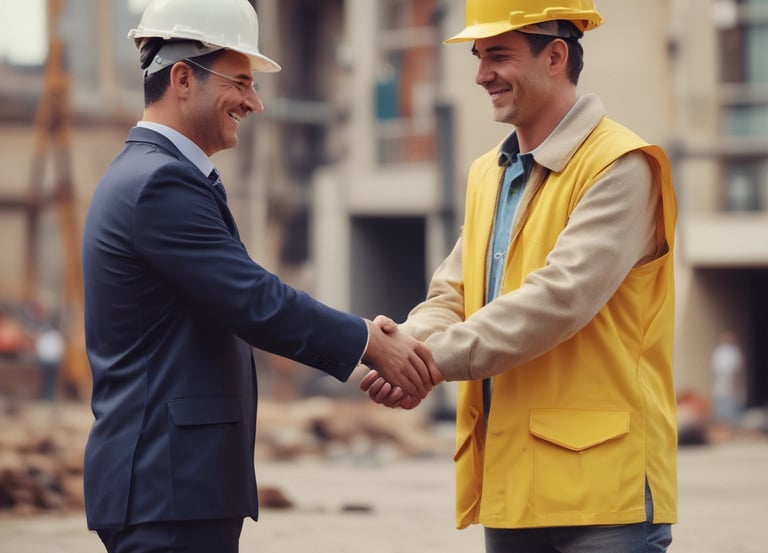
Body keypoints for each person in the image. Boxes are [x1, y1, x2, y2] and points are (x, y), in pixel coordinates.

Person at [80, 1, 438, 551]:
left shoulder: (154, 175)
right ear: (182, 78)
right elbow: (254, 300)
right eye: (241, 81)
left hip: (171, 485)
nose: (255, 101)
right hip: (165, 486)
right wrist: (369, 342)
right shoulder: (158, 185)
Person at [361, 1, 678, 551]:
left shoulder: (620, 165)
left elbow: (559, 299)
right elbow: (453, 293)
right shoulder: (490, 173)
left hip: (605, 493)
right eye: (479, 56)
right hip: (513, 483)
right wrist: (403, 343)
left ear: (556, 55)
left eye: (498, 55)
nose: (482, 73)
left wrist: (424, 364)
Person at [710, 330, 745, 426]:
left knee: (732, 406)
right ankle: (721, 425)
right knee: (721, 404)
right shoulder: (719, 352)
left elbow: (738, 368)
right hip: (721, 384)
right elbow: (715, 367)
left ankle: (731, 426)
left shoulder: (735, 352)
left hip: (732, 385)